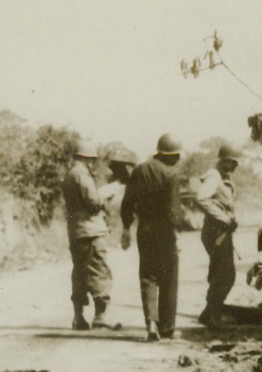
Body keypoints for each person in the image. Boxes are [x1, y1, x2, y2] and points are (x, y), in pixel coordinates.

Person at [121, 133, 183, 342]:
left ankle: (151, 324)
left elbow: (128, 201)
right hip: (165, 232)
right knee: (169, 276)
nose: (178, 159)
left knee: (148, 276)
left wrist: (126, 227)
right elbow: (174, 212)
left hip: (145, 229)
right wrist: (176, 234)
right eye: (177, 155)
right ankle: (167, 327)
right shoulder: (171, 174)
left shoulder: (140, 169)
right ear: (170, 155)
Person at [61, 140, 113, 330]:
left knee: (80, 273)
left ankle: (78, 317)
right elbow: (92, 202)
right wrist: (104, 197)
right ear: (87, 158)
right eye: (92, 160)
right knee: (99, 271)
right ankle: (100, 316)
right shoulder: (81, 174)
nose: (93, 164)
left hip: (75, 231)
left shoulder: (69, 174)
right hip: (91, 231)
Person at [195, 142, 241, 329]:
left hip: (221, 231)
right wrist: (223, 218)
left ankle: (208, 313)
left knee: (220, 273)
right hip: (216, 232)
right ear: (226, 161)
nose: (234, 166)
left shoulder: (222, 176)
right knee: (225, 275)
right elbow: (201, 198)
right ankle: (213, 316)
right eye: (232, 162)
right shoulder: (214, 176)